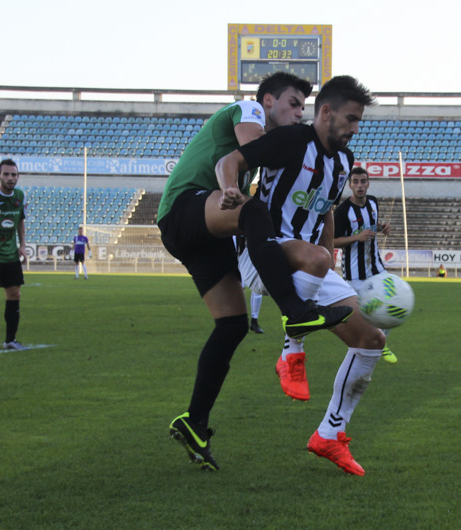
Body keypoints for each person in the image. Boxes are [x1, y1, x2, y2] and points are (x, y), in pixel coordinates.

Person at [159, 72, 353, 472]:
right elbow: (249, 151)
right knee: (252, 209)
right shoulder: (247, 110)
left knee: (231, 325)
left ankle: (194, 423)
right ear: (267, 101)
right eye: (294, 104)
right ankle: (294, 312)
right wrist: (271, 159)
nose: (300, 113)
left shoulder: (289, 133)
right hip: (185, 207)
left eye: (303, 106)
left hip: (208, 234)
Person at [217, 75, 381, 476]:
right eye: (350, 118)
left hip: (310, 262)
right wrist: (229, 191)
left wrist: (330, 257)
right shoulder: (292, 140)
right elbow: (230, 161)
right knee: (314, 258)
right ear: (326, 112)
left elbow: (325, 208)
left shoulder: (343, 161)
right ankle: (291, 351)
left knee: (371, 340)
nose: (355, 127)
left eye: (359, 121)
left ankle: (329, 433)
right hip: (262, 257)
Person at [333, 166, 397, 363]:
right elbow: (332, 241)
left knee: (391, 304)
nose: (359, 186)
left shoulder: (373, 202)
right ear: (350, 185)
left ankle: (381, 342)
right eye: (355, 182)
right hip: (354, 274)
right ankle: (361, 349)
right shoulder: (343, 211)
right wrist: (356, 237)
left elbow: (371, 224)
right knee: (361, 319)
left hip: (377, 268)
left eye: (363, 181)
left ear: (368, 183)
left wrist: (382, 227)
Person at [0, 159, 28, 350]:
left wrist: (22, 245)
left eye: (14, 174)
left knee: (14, 294)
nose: (10, 178)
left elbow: (21, 220)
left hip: (10, 255)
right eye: (6, 174)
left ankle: (10, 340)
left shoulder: (20, 196)